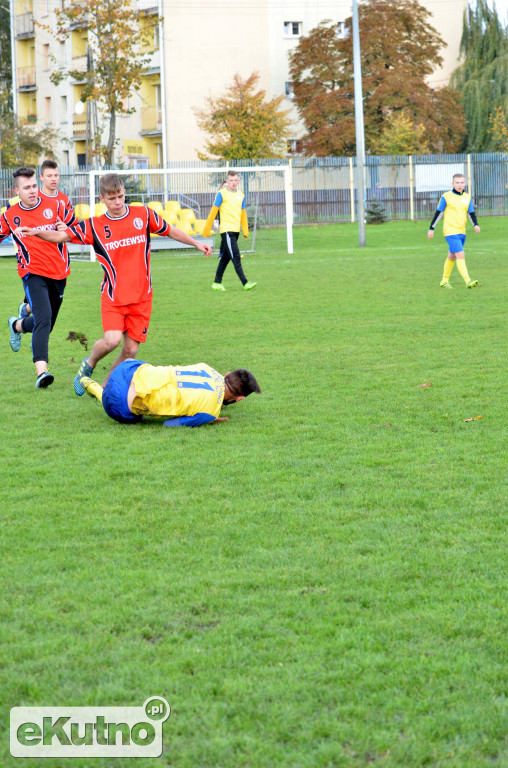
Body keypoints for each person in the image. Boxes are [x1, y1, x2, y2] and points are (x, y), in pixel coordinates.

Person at [20, 172, 213, 394]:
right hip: (114, 297)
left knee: (130, 350)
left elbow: (171, 231)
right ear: (102, 199)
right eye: (112, 198)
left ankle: (105, 387)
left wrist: (196, 243)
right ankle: (89, 363)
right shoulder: (94, 226)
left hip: (142, 297)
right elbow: (60, 236)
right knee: (111, 340)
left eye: (121, 196)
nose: (118, 202)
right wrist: (37, 232)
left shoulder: (143, 214)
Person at [1, 166, 77, 388]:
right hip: (32, 273)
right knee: (43, 318)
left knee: (46, 323)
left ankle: (17, 324)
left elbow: (75, 228)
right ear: (17, 191)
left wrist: (67, 229)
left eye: (34, 186)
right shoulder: (10, 215)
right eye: (27, 188)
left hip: (59, 272)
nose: (33, 191)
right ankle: (42, 373)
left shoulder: (56, 205)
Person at [79, 360, 261, 427]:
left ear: (227, 374)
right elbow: (169, 424)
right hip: (117, 402)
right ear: (240, 398)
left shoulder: (206, 367)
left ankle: (87, 381)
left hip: (127, 367)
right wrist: (208, 419)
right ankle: (92, 387)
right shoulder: (210, 411)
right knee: (135, 419)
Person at [18, 159, 74, 321]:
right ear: (41, 178)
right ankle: (26, 322)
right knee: (43, 308)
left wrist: (66, 227)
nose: (53, 179)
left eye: (56, 175)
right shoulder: (32, 196)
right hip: (35, 260)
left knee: (51, 300)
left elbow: (73, 225)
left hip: (57, 257)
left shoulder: (63, 199)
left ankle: (25, 311)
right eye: (49, 175)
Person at [202, 170, 256, 291]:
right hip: (226, 230)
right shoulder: (221, 194)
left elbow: (243, 214)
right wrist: (207, 229)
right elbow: (213, 212)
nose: (233, 183)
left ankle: (216, 282)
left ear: (238, 181)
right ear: (227, 181)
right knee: (236, 256)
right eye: (230, 180)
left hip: (236, 231)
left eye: (235, 180)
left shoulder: (241, 195)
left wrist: (245, 230)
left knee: (225, 258)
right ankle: (245, 283)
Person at [427, 173, 480, 289]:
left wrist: (475, 224)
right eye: (457, 182)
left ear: (465, 183)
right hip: (450, 231)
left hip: (462, 231)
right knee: (460, 255)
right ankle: (468, 281)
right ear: (452, 184)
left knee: (452, 256)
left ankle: (444, 281)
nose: (460, 185)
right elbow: (439, 212)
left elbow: (470, 213)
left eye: (462, 182)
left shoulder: (467, 197)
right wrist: (432, 228)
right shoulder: (446, 196)